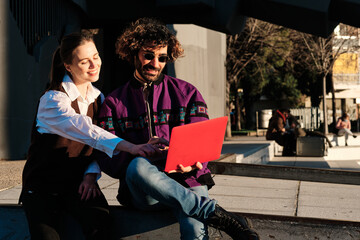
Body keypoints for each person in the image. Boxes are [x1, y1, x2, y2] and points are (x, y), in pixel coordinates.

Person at [97, 18, 259, 240]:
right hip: (143, 192)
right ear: (134, 52)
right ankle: (215, 214)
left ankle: (204, 211)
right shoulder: (114, 102)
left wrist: (194, 163)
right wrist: (139, 150)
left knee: (193, 228)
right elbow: (107, 157)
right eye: (149, 55)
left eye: (162, 58)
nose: (155, 63)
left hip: (187, 180)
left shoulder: (188, 93)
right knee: (137, 166)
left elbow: (202, 145)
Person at [20, 31, 165, 240]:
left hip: (77, 185)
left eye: (95, 57)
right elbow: (88, 132)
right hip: (43, 188)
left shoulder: (99, 98)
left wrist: (90, 176)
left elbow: (96, 147)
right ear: (68, 66)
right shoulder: (52, 100)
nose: (94, 65)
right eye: (84, 62)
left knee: (102, 224)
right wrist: (133, 147)